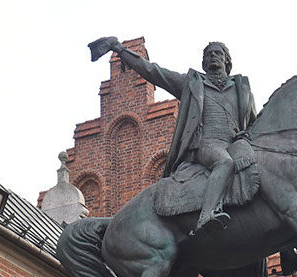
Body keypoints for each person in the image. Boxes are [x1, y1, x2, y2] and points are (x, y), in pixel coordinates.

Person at [97, 37, 257, 235]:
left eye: (218, 53)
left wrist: (247, 134)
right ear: (204, 63)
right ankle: (207, 216)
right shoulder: (192, 83)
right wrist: (120, 49)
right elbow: (153, 71)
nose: (213, 56)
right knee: (224, 163)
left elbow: (253, 122)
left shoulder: (242, 88)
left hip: (234, 143)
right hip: (208, 145)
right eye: (209, 54)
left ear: (227, 60)